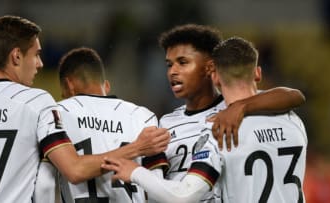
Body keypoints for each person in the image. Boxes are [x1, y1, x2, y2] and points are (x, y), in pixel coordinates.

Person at [0, 15, 169, 202]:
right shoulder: (36, 101)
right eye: (36, 55)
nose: (40, 64)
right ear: (16, 56)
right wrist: (137, 147)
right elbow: (73, 170)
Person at [102, 37, 308, 203]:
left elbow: (183, 196)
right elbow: (294, 95)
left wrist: (135, 172)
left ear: (215, 77)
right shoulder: (292, 119)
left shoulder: (219, 130)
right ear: (257, 73)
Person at [55, 47, 159, 202]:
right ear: (106, 85)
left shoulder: (56, 112)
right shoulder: (144, 116)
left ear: (69, 84)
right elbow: (156, 187)